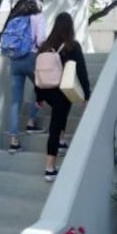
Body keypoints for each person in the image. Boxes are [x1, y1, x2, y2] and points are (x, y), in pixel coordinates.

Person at [34, 12, 91, 182]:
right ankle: (50, 168)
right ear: (70, 27)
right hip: (61, 90)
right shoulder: (72, 46)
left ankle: (62, 139)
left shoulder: (44, 46)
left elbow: (37, 71)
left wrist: (38, 97)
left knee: (61, 113)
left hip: (45, 89)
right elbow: (81, 71)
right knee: (56, 123)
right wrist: (87, 94)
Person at [3, 0, 46, 153]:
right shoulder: (39, 18)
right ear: (39, 8)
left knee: (15, 101)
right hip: (30, 58)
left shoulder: (16, 19)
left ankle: (13, 141)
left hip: (14, 61)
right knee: (43, 89)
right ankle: (31, 122)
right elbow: (41, 40)